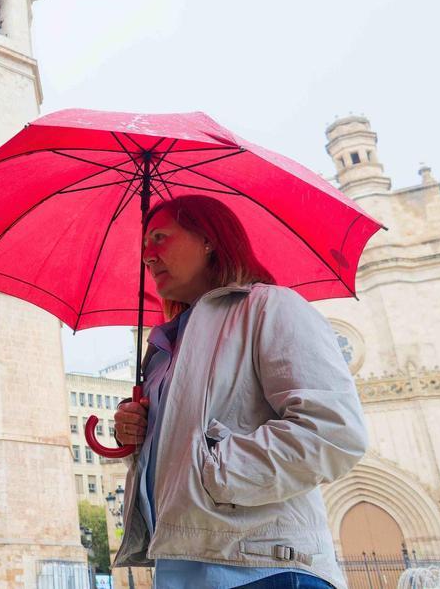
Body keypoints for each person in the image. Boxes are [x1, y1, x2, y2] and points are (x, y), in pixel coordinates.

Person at [111, 194, 367, 589]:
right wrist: (138, 434)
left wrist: (212, 471)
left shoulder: (270, 307)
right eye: (144, 245)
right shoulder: (163, 347)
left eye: (159, 238)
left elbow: (333, 432)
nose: (147, 255)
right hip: (183, 567)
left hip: (265, 567)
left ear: (208, 239)